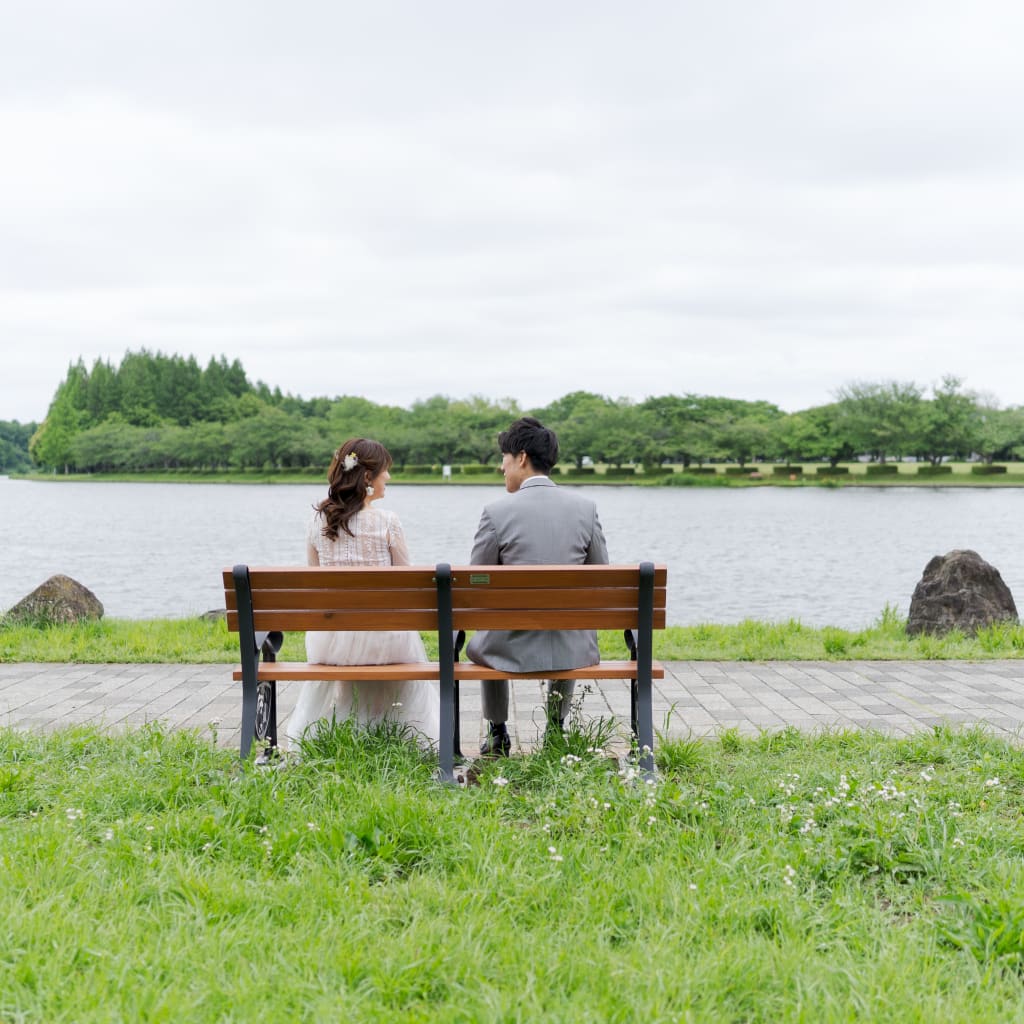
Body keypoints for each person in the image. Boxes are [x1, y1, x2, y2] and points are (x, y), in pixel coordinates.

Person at [284, 438, 441, 750]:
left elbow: (316, 585)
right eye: (385, 471)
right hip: (385, 640)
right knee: (393, 633)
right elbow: (408, 585)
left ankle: (349, 732)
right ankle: (403, 738)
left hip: (330, 642)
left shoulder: (317, 521)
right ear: (368, 477)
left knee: (358, 637)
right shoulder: (388, 521)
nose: (389, 477)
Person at [467, 417, 609, 755]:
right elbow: (602, 577)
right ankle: (556, 729)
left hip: (508, 647)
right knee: (566, 621)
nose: (501, 467)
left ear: (521, 457)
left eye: (504, 458)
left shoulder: (495, 512)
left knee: (490, 628)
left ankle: (497, 731)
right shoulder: (585, 509)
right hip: (571, 645)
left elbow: (475, 584)